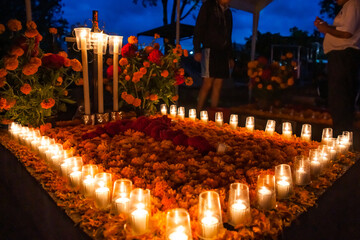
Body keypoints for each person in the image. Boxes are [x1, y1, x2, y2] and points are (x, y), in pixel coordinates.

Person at [314, 0, 360, 136]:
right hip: (340, 57)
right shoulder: (347, 6)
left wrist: (325, 29)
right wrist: (327, 27)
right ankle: (341, 136)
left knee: (341, 99)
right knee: (338, 99)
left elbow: (347, 33)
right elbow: (343, 30)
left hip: (344, 56)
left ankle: (342, 138)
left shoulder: (353, 4)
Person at [193, 0, 234, 113]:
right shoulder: (208, 6)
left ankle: (213, 114)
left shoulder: (228, 12)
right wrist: (197, 49)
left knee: (218, 84)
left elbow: (229, 34)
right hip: (210, 49)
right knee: (207, 83)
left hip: (223, 52)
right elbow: (199, 27)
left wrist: (230, 56)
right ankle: (198, 112)